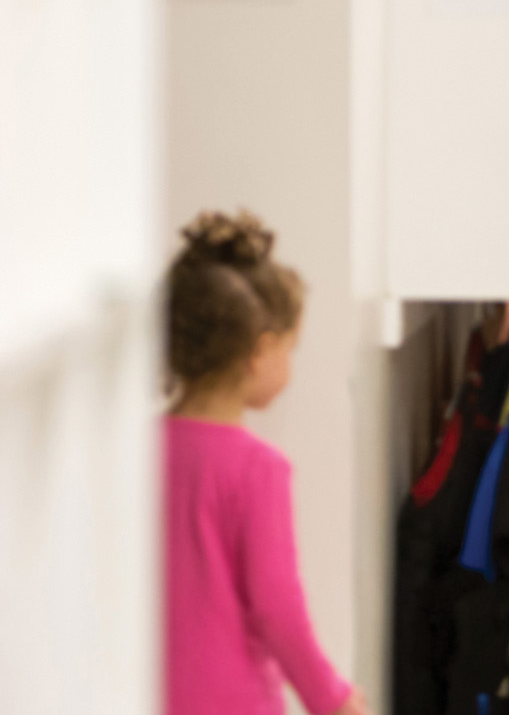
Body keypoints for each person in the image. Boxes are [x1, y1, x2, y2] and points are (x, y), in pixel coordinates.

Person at [163, 211, 368, 715]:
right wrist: (333, 698)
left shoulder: (136, 451)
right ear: (261, 351)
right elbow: (277, 608)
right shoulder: (256, 470)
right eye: (292, 348)